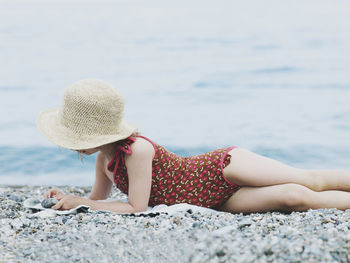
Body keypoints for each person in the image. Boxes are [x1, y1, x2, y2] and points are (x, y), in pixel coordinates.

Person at [38, 79, 350, 214]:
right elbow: (96, 200)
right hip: (211, 203)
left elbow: (135, 208)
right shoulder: (106, 160)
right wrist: (70, 199)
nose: (76, 146)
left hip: (221, 169)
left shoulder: (138, 151)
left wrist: (85, 203)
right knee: (296, 198)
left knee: (308, 181)